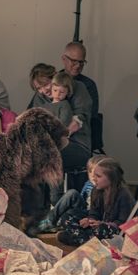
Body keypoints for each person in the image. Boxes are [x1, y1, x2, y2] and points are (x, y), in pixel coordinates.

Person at [28, 63, 92, 200]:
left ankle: (55, 203)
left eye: (46, 85)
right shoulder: (40, 98)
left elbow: (79, 119)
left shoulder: (78, 87)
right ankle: (35, 205)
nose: (43, 91)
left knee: (51, 156)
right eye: (38, 88)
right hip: (49, 145)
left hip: (77, 144)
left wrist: (61, 134)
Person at [56, 156, 135, 247]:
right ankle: (85, 240)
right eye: (94, 176)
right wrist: (90, 220)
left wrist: (103, 224)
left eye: (98, 176)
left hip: (115, 231)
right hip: (98, 225)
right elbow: (94, 212)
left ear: (111, 177)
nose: (94, 179)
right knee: (67, 217)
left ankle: (78, 239)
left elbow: (123, 223)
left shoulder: (124, 194)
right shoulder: (96, 190)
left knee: (99, 229)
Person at [28, 155, 103, 236]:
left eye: (97, 174)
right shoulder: (88, 183)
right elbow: (81, 199)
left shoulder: (104, 187)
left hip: (92, 215)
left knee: (71, 201)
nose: (93, 176)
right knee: (71, 195)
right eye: (90, 172)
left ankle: (51, 222)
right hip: (83, 210)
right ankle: (50, 221)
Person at [61, 42, 99, 120]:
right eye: (74, 61)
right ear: (64, 59)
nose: (78, 65)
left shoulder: (89, 85)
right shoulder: (51, 80)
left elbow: (91, 116)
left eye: (81, 62)